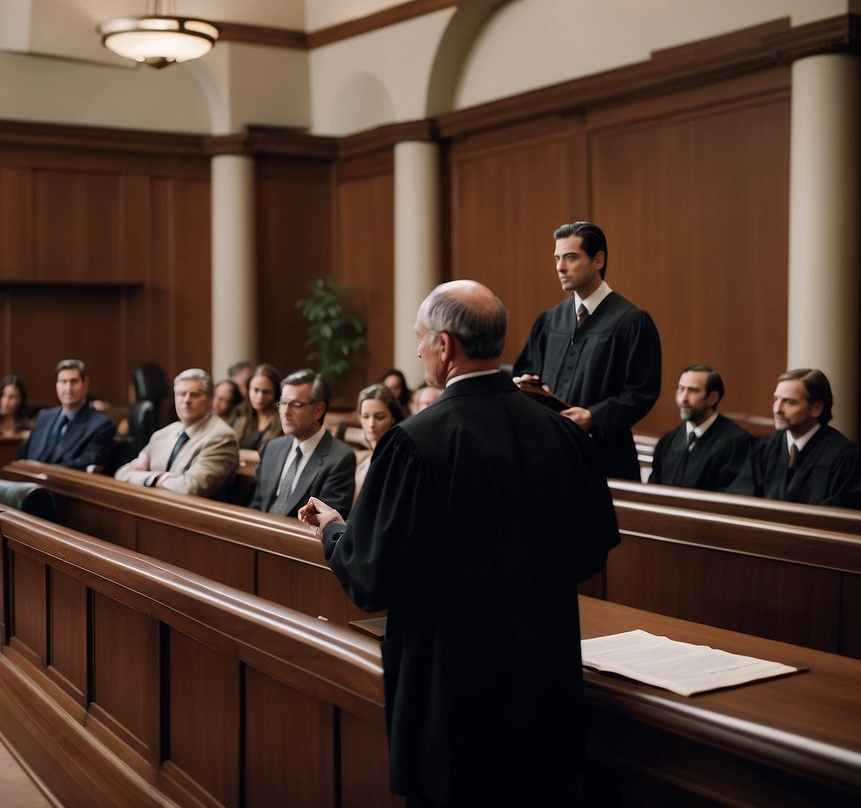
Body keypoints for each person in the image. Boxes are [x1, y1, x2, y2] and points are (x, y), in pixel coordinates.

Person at [300, 280, 619, 807]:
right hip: (546, 683)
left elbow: (369, 575)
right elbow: (590, 551)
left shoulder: (414, 442)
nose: (419, 348)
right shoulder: (563, 433)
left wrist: (334, 528)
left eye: (422, 338)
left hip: (453, 697)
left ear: (445, 346)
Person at [513, 220, 661, 480]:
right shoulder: (550, 320)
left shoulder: (631, 321)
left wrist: (594, 416)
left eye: (570, 257)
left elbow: (641, 391)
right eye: (557, 258)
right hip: (552, 454)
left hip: (605, 458)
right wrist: (528, 385)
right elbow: (528, 369)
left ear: (598, 260)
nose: (560, 267)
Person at [729, 368, 861, 509]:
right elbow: (743, 496)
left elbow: (842, 520)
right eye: (776, 399)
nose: (777, 409)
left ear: (816, 408)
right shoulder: (770, 446)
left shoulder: (847, 458)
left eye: (789, 402)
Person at [114, 369, 238, 497]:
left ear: (210, 400)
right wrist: (158, 478)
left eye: (195, 394)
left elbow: (190, 487)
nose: (186, 400)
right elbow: (122, 473)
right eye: (181, 394)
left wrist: (151, 478)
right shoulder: (162, 434)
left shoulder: (222, 437)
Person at [249, 369, 355, 518]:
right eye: (283, 403)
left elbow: (326, 526)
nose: (285, 412)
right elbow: (257, 506)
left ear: (318, 410)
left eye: (296, 404)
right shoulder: (271, 448)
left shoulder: (340, 459)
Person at [649, 364, 753, 492]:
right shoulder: (668, 441)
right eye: (681, 389)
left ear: (712, 398)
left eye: (693, 390)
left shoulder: (737, 443)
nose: (684, 398)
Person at [17, 359, 117, 470]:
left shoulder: (101, 425)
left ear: (85, 384)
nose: (68, 388)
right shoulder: (43, 417)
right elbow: (27, 458)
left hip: (64, 484)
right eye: (63, 381)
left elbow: (87, 461)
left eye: (74, 381)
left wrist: (47, 471)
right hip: (30, 482)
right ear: (56, 385)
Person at [352, 384, 406, 503]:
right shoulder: (360, 461)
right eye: (365, 416)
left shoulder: (400, 461)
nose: (371, 424)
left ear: (393, 418)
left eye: (379, 417)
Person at [230, 363, 283, 465]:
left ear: (276, 393)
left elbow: (278, 456)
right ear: (248, 390)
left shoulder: (283, 419)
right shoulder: (240, 414)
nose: (260, 397)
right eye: (256, 390)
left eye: (266, 392)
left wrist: (241, 454)